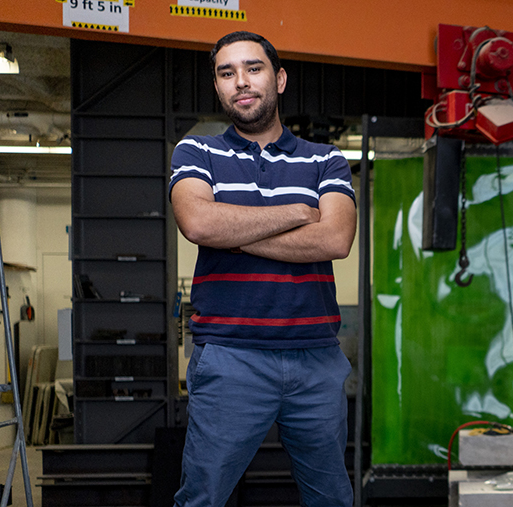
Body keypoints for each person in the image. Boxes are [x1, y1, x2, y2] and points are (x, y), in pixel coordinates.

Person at [168, 31, 356, 507]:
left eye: (253, 68)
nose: (241, 82)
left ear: (280, 78)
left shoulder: (325, 158)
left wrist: (235, 229)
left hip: (316, 360)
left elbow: (335, 239)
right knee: (202, 499)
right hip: (230, 357)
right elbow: (198, 224)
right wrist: (297, 211)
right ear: (218, 87)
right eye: (226, 73)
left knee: (332, 499)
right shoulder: (196, 153)